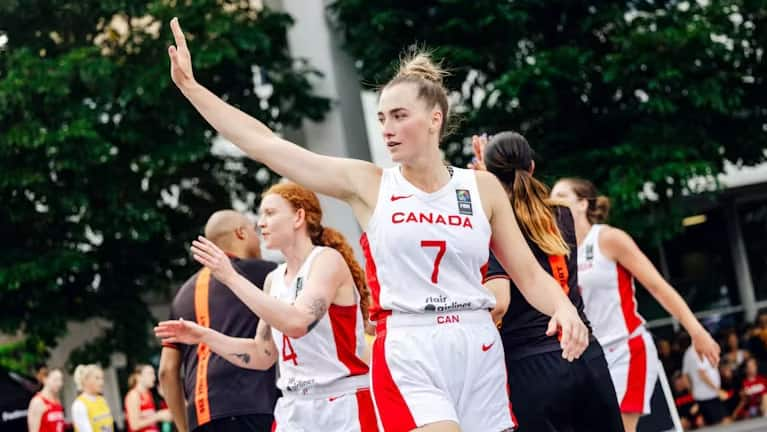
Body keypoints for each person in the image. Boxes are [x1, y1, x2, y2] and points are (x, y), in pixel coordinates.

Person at [166, 17, 588, 432]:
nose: (386, 129)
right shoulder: (369, 184)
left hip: (477, 342)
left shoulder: (481, 188)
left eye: (399, 116)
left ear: (434, 119)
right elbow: (267, 145)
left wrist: (564, 307)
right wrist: (192, 88)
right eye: (382, 117)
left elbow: (529, 275)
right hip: (410, 344)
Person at [156, 183, 377, 431]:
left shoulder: (326, 260)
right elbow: (262, 354)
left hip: (343, 403)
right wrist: (204, 335)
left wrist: (231, 276)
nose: (261, 223)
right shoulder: (274, 279)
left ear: (298, 217)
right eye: (261, 215)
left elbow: (298, 323)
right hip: (294, 406)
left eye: (270, 213)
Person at [471, 131, 624, 431]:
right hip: (584, 352)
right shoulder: (563, 213)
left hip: (530, 365)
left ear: (490, 176)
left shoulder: (492, 226)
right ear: (531, 167)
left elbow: (499, 300)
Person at [550, 178, 720, 432]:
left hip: (627, 349)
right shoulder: (559, 252)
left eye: (562, 196)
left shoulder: (608, 238)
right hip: (590, 358)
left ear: (583, 203)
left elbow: (657, 286)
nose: (555, 203)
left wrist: (696, 331)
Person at [158, 210, 278, 432]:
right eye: (254, 231)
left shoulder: (183, 294)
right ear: (241, 233)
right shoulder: (268, 275)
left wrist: (185, 427)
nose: (259, 241)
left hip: (201, 415)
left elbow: (167, 370)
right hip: (253, 406)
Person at [683, 342, 728, 426]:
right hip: (710, 394)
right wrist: (718, 390)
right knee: (724, 421)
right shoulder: (699, 351)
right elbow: (702, 374)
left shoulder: (688, 353)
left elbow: (685, 376)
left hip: (700, 396)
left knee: (711, 424)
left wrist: (692, 392)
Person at [124, 364, 171, 432]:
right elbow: (134, 425)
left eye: (154, 374)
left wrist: (165, 396)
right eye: (150, 374)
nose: (154, 377)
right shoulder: (134, 395)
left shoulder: (149, 394)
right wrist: (158, 416)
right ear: (139, 377)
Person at [71, 364, 114, 432]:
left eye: (102, 378)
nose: (101, 382)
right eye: (97, 378)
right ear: (85, 380)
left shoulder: (102, 400)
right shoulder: (79, 404)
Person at [27, 368, 65, 432]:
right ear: (45, 380)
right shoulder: (37, 402)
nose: (59, 383)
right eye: (55, 380)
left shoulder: (57, 401)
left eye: (61, 380)